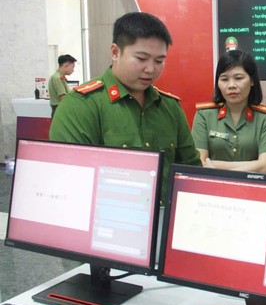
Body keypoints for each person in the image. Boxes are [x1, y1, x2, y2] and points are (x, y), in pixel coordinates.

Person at [50, 11, 201, 199]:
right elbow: (70, 182)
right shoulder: (81, 106)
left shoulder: (170, 107)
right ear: (115, 52)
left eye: (159, 61)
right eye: (141, 58)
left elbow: (191, 171)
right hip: (108, 215)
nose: (150, 69)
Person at [192, 50, 266, 173]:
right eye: (224, 79)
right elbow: (200, 162)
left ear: (252, 80)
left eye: (238, 78)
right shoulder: (204, 115)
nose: (231, 85)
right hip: (214, 183)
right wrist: (254, 165)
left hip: (253, 183)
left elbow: (265, 167)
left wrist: (214, 165)